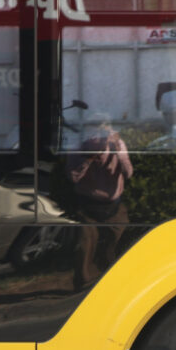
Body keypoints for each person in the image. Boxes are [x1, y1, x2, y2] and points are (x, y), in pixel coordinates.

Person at [65, 117, 133, 290]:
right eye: (96, 131)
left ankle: (111, 281)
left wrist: (117, 151)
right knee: (85, 244)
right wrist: (88, 159)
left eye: (105, 131)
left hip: (114, 205)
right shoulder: (79, 147)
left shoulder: (117, 145)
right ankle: (82, 284)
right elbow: (73, 177)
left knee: (116, 243)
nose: (101, 137)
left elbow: (128, 173)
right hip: (87, 204)